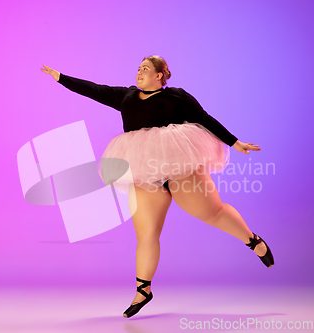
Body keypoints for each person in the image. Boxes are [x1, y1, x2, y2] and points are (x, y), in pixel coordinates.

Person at [40, 55, 274, 319]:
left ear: (160, 75)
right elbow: (95, 90)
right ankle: (144, 289)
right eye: (138, 69)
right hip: (142, 169)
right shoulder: (126, 96)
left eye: (145, 69)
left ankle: (252, 241)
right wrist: (61, 77)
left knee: (212, 213)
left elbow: (205, 119)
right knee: (147, 233)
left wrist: (234, 142)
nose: (139, 73)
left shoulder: (177, 97)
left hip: (179, 164)